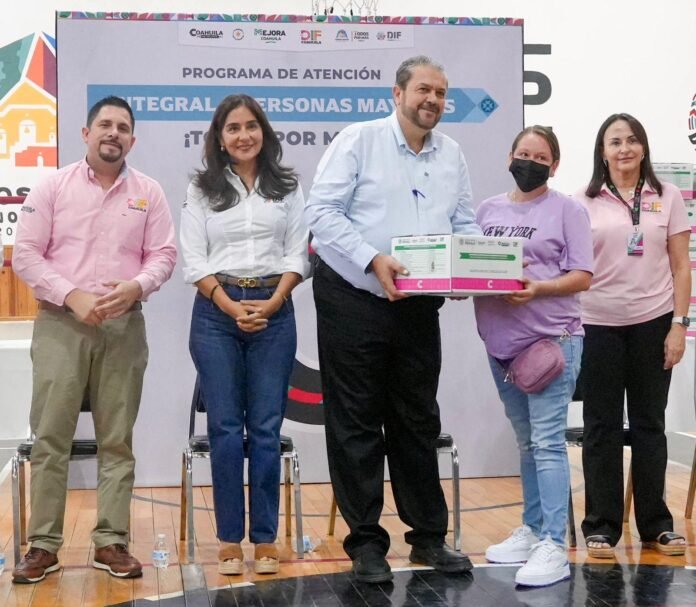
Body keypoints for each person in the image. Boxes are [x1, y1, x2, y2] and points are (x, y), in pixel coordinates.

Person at [305, 55, 478, 584]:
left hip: (419, 306)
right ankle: (365, 543)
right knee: (356, 421)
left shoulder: (452, 154)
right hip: (353, 298)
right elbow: (320, 213)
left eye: (441, 93)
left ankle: (428, 538)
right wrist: (371, 258)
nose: (433, 100)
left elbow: (464, 221)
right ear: (397, 94)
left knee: (418, 419)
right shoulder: (359, 141)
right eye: (423, 89)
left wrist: (468, 270)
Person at [11, 96, 177, 583]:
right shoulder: (53, 187)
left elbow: (164, 254)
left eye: (122, 127)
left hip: (124, 327)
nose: (113, 133)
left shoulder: (148, 192)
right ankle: (43, 546)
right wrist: (72, 295)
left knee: (117, 441)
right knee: (51, 438)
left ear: (132, 139)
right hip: (61, 324)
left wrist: (137, 286)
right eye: (105, 124)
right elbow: (26, 254)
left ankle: (111, 541)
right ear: (86, 133)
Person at [180, 94, 309, 575]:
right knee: (226, 429)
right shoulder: (201, 188)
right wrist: (231, 305)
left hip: (275, 310)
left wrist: (273, 302)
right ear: (219, 138)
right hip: (217, 315)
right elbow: (194, 259)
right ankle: (230, 539)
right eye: (232, 128)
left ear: (264, 132)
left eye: (251, 126)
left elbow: (298, 253)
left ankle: (266, 539)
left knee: (266, 429)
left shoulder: (287, 187)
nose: (243, 135)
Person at [474, 126, 593, 587]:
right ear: (509, 157)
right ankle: (532, 527)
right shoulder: (487, 210)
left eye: (540, 157)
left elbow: (582, 275)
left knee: (546, 443)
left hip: (550, 344)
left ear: (554, 165)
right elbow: (473, 264)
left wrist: (539, 288)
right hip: (501, 349)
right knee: (526, 443)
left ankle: (553, 545)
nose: (530, 162)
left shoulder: (568, 210)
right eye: (523, 153)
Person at [575, 113, 690, 559]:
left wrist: (678, 324)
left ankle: (656, 524)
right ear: (602, 152)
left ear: (643, 147)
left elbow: (681, 266)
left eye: (632, 140)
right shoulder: (581, 201)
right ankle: (601, 526)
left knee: (649, 425)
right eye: (615, 142)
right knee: (600, 427)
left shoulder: (668, 195)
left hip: (654, 323)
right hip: (596, 325)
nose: (624, 148)